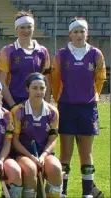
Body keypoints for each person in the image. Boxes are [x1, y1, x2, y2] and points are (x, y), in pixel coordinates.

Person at [51, 18, 107, 198]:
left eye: (82, 31)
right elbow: (55, 80)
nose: (79, 35)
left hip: (87, 109)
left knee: (86, 153)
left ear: (87, 33)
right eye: (75, 31)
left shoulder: (96, 54)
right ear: (70, 34)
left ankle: (87, 193)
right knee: (65, 154)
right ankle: (63, 192)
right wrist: (62, 98)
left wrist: (91, 97)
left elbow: (100, 79)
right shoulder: (62, 54)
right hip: (66, 108)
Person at [11, 73, 63, 198]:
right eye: (34, 88)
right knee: (30, 169)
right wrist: (31, 156)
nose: (38, 91)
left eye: (42, 88)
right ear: (27, 89)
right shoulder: (18, 111)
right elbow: (15, 141)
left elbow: (52, 139)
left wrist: (43, 156)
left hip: (44, 154)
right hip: (23, 154)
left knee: (56, 167)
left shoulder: (52, 111)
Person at [0, 11, 51, 110]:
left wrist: (46, 104)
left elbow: (46, 80)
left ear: (33, 28)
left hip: (36, 103)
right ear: (16, 28)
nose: (26, 30)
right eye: (22, 27)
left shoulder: (42, 51)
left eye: (29, 27)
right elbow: (2, 81)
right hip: (14, 102)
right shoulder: (8, 51)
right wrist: (13, 105)